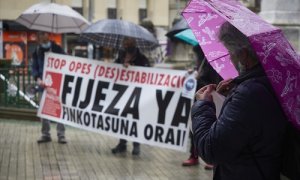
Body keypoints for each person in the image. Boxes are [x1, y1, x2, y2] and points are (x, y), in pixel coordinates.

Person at [191, 22, 288, 180]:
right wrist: (226, 98)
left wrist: (203, 105)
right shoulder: (273, 82)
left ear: (243, 54)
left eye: (230, 51)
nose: (230, 57)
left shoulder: (249, 94)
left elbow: (211, 150)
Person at [182, 45, 222, 169]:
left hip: (210, 102)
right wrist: (193, 74)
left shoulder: (213, 63)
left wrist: (200, 80)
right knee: (195, 128)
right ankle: (194, 155)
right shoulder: (202, 63)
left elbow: (214, 83)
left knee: (209, 127)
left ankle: (211, 157)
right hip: (199, 101)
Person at [111, 37, 150, 155]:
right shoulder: (121, 55)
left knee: (134, 119)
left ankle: (136, 144)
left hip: (136, 94)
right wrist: (121, 64)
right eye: (125, 42)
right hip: (122, 92)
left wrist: (132, 67)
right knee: (122, 119)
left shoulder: (141, 58)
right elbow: (114, 68)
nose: (127, 44)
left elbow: (148, 73)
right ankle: (122, 143)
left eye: (129, 42)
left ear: (134, 43)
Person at [31, 31, 67, 144]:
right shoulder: (37, 51)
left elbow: (67, 62)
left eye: (44, 33)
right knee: (43, 110)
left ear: (49, 35)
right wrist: (37, 78)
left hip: (56, 85)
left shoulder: (57, 48)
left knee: (59, 109)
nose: (42, 36)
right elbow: (34, 67)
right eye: (40, 34)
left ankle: (61, 135)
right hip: (43, 86)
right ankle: (45, 134)